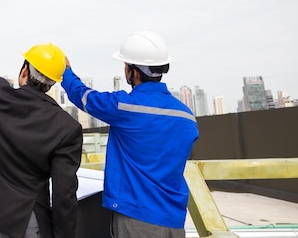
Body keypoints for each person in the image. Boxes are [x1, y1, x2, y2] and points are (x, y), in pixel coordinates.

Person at [61, 31, 199, 238]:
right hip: (175, 223)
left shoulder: (126, 108)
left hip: (137, 219)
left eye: (126, 65)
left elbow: (84, 97)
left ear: (134, 72)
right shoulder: (187, 117)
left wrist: (66, 71)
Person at [0, 20, 83, 238]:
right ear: (52, 83)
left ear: (24, 70)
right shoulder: (67, 127)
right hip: (32, 221)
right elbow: (64, 194)